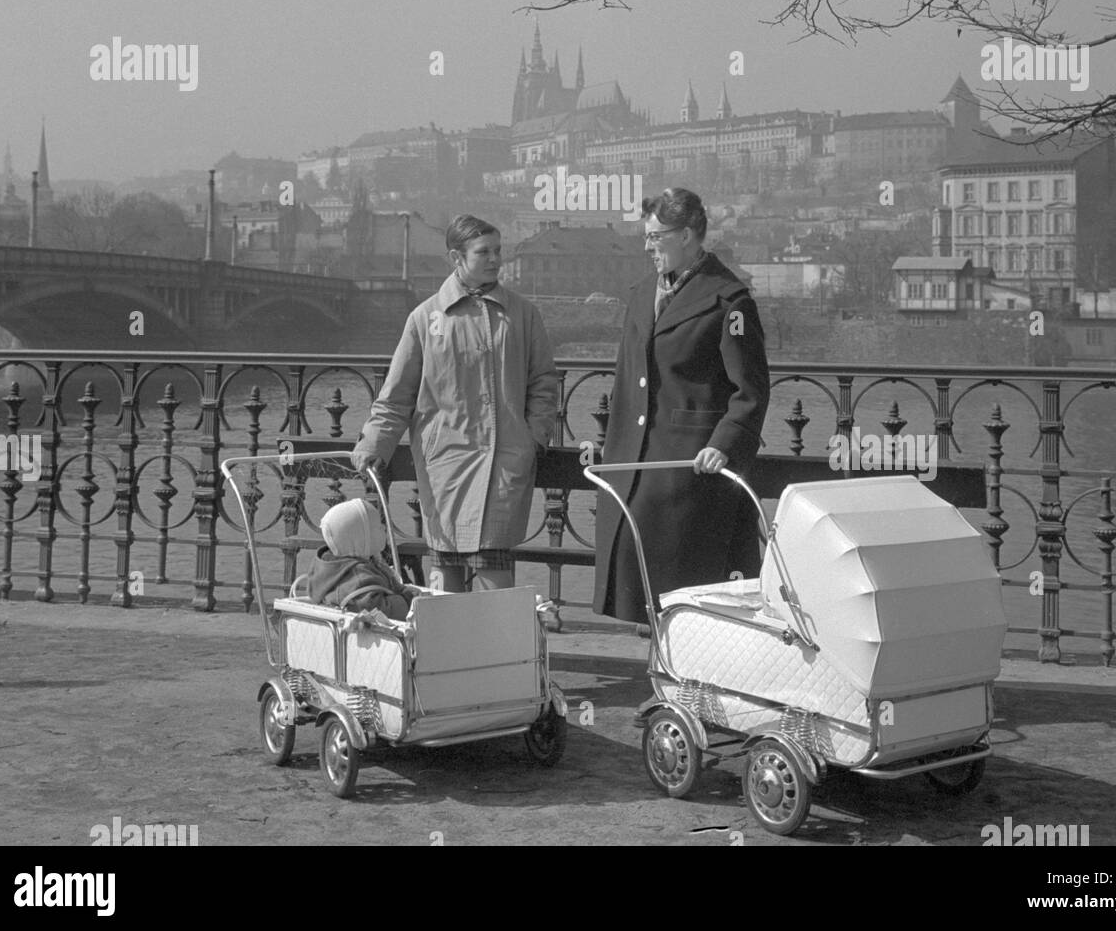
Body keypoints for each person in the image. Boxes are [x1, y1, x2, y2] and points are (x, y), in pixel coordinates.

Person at [351, 214, 560, 592]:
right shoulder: (425, 318)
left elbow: (544, 380)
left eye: (498, 251)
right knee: (445, 578)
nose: (495, 260)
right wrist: (373, 444)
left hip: (504, 462)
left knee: (495, 577)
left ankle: (497, 651)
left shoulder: (523, 314)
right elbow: (397, 396)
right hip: (445, 464)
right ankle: (448, 651)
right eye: (484, 252)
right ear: (456, 257)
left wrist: (534, 437)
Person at [593, 187, 771, 624]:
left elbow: (750, 389)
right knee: (641, 586)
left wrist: (724, 444)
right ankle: (661, 679)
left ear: (688, 234)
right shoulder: (639, 295)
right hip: (635, 462)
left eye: (657, 236)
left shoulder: (730, 301)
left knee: (686, 591)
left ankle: (685, 687)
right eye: (646, 236)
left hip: (693, 469)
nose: (647, 245)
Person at [308, 497, 417, 620]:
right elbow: (378, 609)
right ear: (359, 538)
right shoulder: (358, 577)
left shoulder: (334, 569)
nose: (384, 528)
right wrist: (409, 599)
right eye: (377, 526)